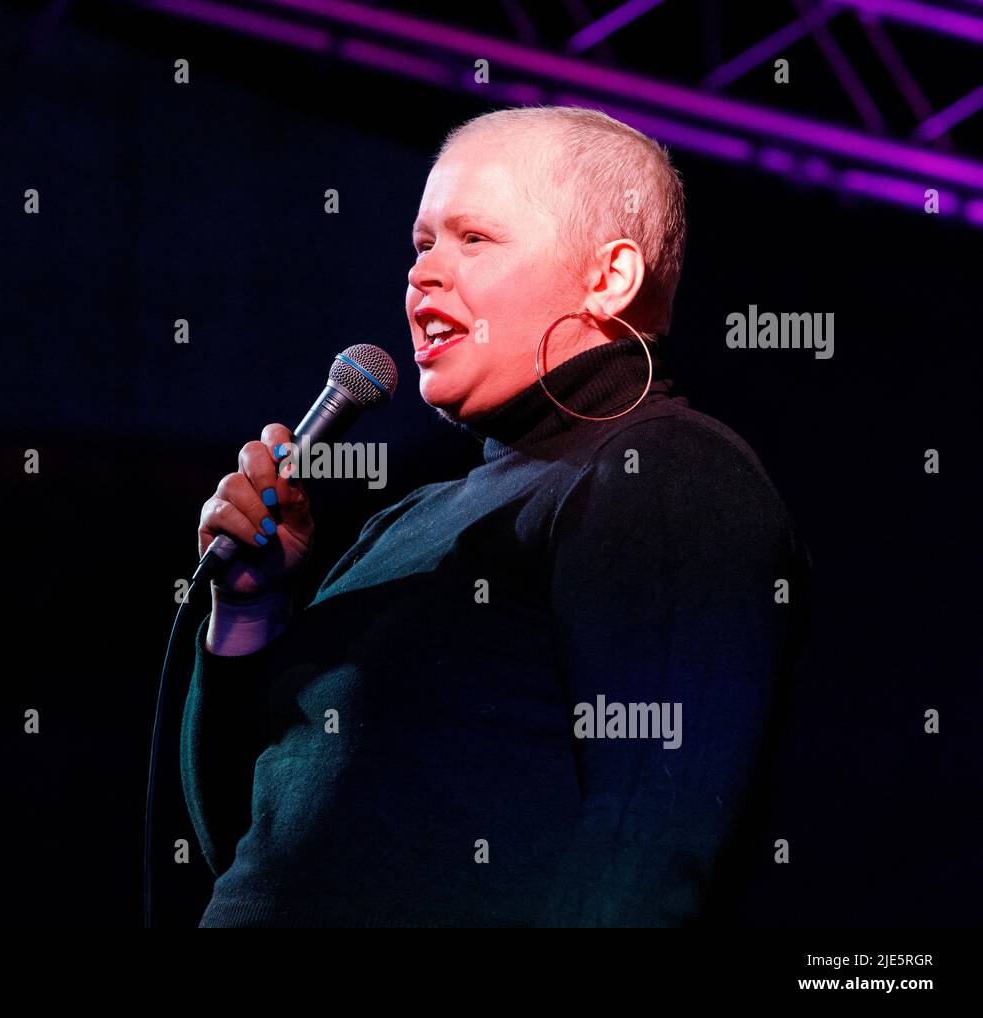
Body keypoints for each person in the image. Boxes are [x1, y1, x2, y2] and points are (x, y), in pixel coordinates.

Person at [182, 105, 813, 927]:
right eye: (422, 245)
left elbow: (650, 843)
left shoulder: (665, 471)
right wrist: (250, 616)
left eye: (474, 239)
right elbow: (249, 841)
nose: (424, 275)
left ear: (609, 278)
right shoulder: (406, 522)